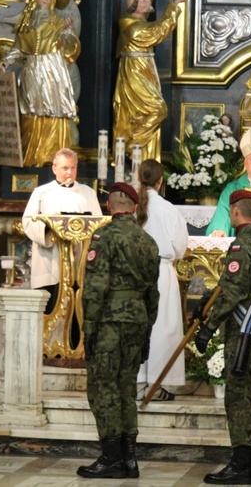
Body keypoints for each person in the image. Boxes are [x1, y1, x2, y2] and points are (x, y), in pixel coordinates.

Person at [194, 189, 251, 485]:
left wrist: (208, 327)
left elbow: (233, 292)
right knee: (250, 395)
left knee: (237, 397)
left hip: (244, 330)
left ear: (234, 212)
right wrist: (207, 298)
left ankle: (241, 464)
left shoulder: (241, 245)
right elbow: (237, 284)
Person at [77, 182, 160, 479]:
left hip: (109, 321)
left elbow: (95, 287)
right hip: (137, 320)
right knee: (126, 387)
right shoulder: (148, 241)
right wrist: (148, 328)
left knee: (102, 387)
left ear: (109, 207)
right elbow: (153, 291)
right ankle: (129, 458)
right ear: (135, 207)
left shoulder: (104, 236)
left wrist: (88, 328)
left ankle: (110, 456)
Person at [0, 0, 79, 166]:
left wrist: (65, 31)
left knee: (54, 107)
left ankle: (53, 155)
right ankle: (33, 154)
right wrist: (6, 62)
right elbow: (19, 47)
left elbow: (67, 47)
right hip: (33, 67)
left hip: (53, 67)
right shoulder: (26, 22)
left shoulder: (58, 21)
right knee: (32, 105)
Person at [112, 0, 191, 161]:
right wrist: (173, 7)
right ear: (133, 6)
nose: (147, 2)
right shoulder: (132, 26)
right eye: (143, 0)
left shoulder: (140, 24)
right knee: (157, 109)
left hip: (145, 67)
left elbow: (156, 29)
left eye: (148, 0)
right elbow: (156, 32)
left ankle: (139, 153)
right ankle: (132, 144)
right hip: (135, 70)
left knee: (144, 112)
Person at [22, 148, 102, 315]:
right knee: (49, 313)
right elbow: (28, 221)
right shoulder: (41, 193)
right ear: (54, 168)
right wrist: (50, 227)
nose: (70, 173)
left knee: (75, 315)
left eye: (73, 168)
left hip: (78, 263)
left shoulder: (88, 194)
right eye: (65, 168)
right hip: (49, 260)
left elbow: (98, 227)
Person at [134, 159, 188, 401]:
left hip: (135, 273)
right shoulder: (169, 210)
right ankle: (157, 385)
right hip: (161, 273)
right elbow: (179, 249)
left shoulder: (133, 206)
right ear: (160, 180)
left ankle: (135, 382)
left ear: (139, 178)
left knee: (138, 325)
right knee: (161, 328)